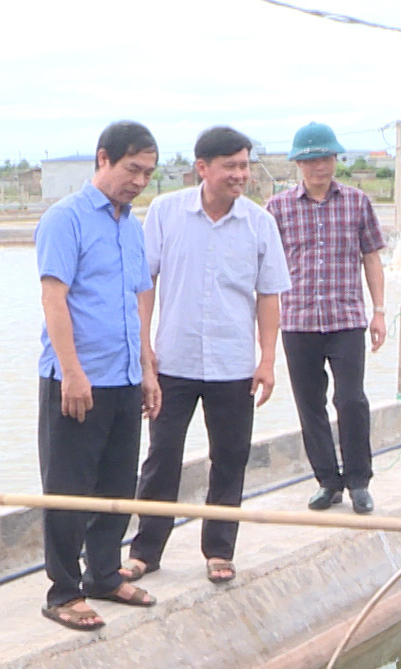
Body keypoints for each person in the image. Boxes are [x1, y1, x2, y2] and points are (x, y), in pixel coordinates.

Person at [124, 125, 290, 586]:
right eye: (231, 166)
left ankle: (219, 550)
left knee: (230, 458)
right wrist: (145, 351)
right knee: (161, 458)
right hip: (172, 363)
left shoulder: (260, 223)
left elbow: (269, 295)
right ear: (203, 168)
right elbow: (143, 284)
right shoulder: (165, 213)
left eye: (245, 166)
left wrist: (267, 359)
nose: (241, 175)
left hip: (234, 365)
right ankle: (145, 551)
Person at [37, 120, 161, 631]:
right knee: (69, 486)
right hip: (77, 379)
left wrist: (148, 371)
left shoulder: (132, 227)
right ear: (103, 159)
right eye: (132, 169)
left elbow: (137, 302)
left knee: (116, 482)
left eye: (148, 173)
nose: (139, 181)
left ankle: (104, 574)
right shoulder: (64, 220)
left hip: (125, 376)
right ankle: (63, 591)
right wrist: (72, 373)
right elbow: (54, 298)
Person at [266, 122, 388, 516]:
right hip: (298, 320)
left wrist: (379, 311)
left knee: (351, 401)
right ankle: (327, 482)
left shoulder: (356, 202)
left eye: (327, 158)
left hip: (346, 318)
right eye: (313, 159)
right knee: (310, 404)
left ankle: (359, 482)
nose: (321, 166)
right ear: (299, 163)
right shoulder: (278, 208)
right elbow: (265, 270)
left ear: (336, 160)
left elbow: (371, 257)